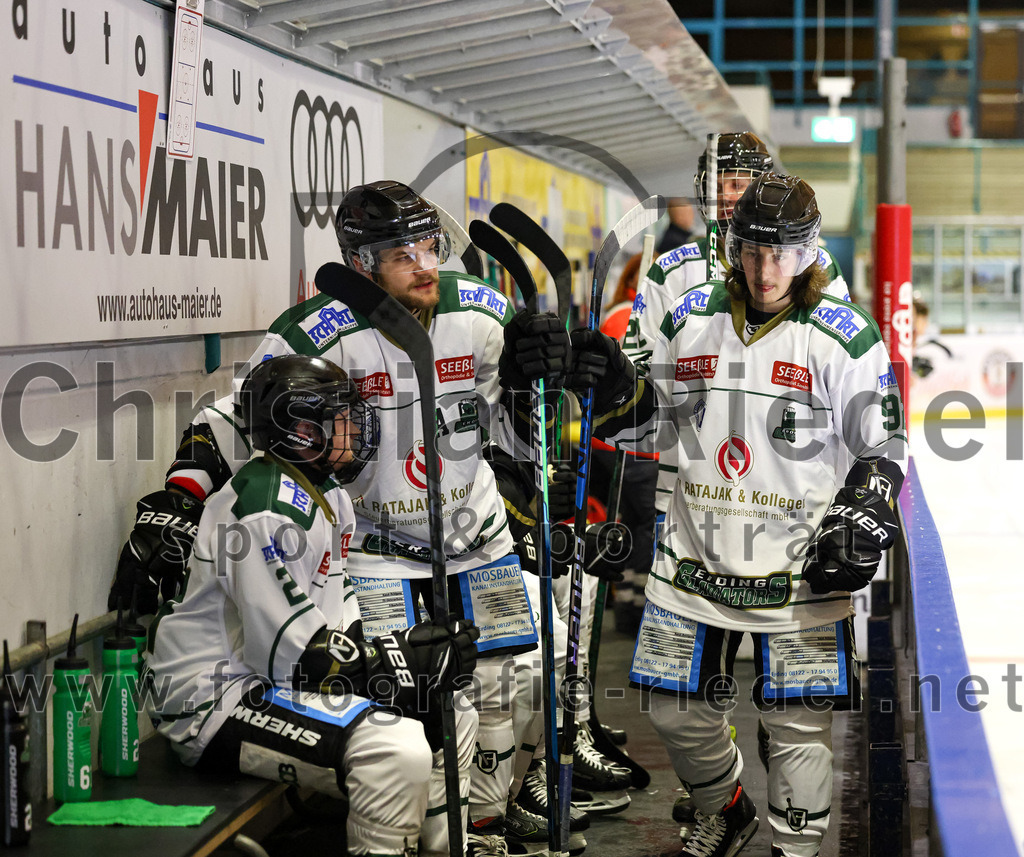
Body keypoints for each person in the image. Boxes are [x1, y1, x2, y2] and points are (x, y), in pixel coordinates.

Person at [111, 180, 572, 857]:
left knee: (526, 673)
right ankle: (456, 831)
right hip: (378, 550)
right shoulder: (315, 331)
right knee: (431, 694)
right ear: (359, 262)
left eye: (429, 246)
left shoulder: (480, 310)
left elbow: (525, 436)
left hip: (476, 542)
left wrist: (543, 386)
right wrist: (181, 494)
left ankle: (485, 821)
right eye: (399, 253)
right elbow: (241, 419)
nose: (422, 264)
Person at [519, 172, 907, 857]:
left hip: (799, 574)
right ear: (731, 245)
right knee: (673, 709)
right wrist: (615, 384)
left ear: (810, 249)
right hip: (692, 561)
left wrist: (864, 508)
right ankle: (723, 806)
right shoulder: (687, 315)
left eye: (783, 252)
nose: (765, 270)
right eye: (752, 251)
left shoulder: (843, 336)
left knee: (798, 731)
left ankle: (795, 849)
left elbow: (884, 442)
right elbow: (653, 429)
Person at [145, 354, 481, 857]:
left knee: (448, 706)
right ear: (302, 430)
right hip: (210, 698)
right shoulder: (260, 510)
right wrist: (396, 659)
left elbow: (338, 615)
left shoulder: (328, 494)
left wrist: (407, 660)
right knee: (394, 751)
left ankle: (441, 847)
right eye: (341, 416)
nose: (358, 426)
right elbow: (298, 660)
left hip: (267, 678)